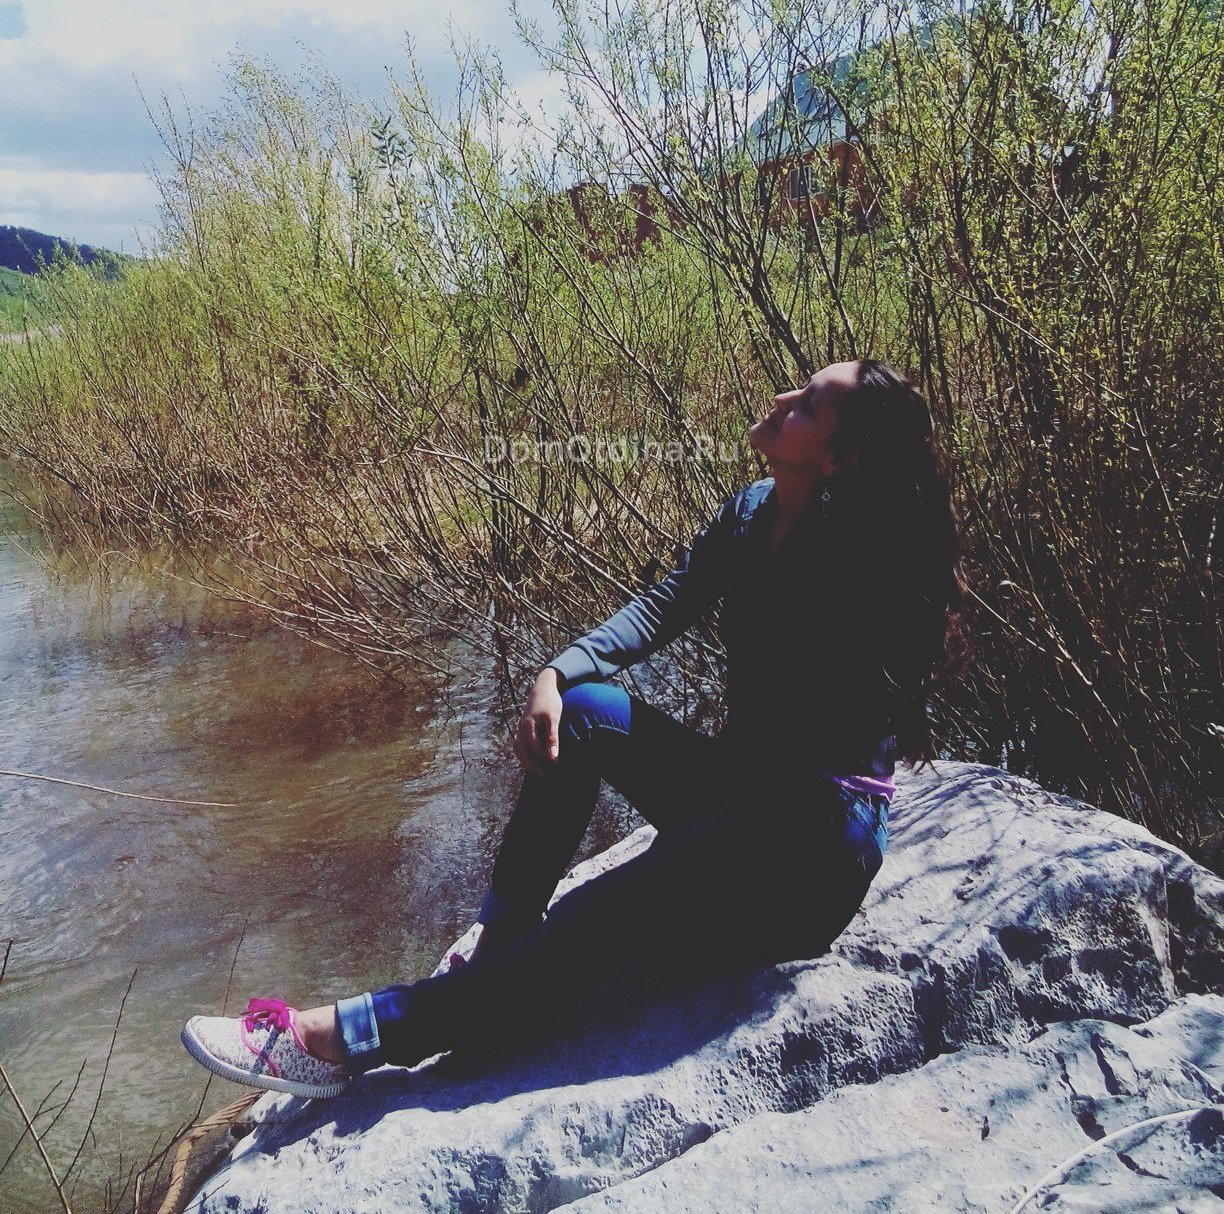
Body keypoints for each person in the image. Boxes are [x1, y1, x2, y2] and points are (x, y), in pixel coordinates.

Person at [182, 359, 966, 1099]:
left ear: (839, 460)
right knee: (584, 711)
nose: (782, 401)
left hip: (806, 844)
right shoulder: (753, 513)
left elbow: (832, 729)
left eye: (808, 407)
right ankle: (501, 946)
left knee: (597, 918)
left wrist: (693, 854)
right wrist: (555, 674)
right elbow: (662, 607)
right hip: (744, 793)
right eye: (797, 390)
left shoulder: (859, 561)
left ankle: (341, 1040)